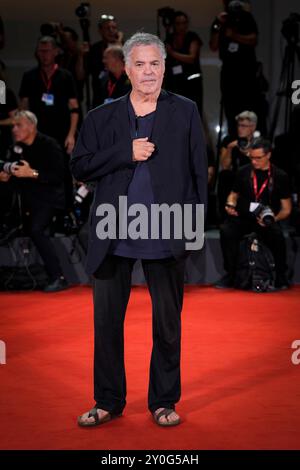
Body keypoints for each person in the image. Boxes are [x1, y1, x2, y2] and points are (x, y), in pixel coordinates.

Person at [71, 32, 207, 427]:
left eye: (155, 64)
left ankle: (163, 400)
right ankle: (108, 400)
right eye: (140, 64)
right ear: (126, 69)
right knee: (106, 325)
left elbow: (200, 174)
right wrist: (124, 152)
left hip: (167, 231)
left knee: (167, 324)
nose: (149, 72)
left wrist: (193, 230)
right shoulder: (102, 116)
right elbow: (79, 166)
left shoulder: (185, 111)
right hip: (115, 233)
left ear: (164, 68)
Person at [215, 137, 292, 290]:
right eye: (252, 157)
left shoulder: (280, 176)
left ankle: (281, 276)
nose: (254, 161)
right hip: (244, 216)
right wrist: (230, 204)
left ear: (268, 155)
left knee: (277, 235)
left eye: (258, 158)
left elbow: (286, 209)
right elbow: (233, 194)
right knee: (227, 230)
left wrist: (273, 218)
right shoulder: (244, 172)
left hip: (266, 218)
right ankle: (230, 274)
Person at [7, 111, 68, 292]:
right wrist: (6, 174)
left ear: (31, 126)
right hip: (28, 199)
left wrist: (32, 173)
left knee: (36, 229)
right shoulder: (17, 148)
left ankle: (59, 276)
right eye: (13, 126)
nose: (14, 129)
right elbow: (15, 172)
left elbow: (58, 177)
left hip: (51, 198)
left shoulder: (50, 146)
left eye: (18, 125)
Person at [209, 0, 266, 135]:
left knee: (248, 109)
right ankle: (233, 143)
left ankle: (251, 142)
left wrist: (234, 35)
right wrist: (218, 25)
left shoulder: (246, 17)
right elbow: (213, 46)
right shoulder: (220, 19)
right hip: (229, 72)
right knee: (231, 111)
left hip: (246, 72)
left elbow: (253, 39)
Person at [218, 110, 258, 221]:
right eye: (239, 125)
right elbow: (225, 166)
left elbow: (261, 164)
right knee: (224, 175)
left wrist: (248, 153)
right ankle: (225, 216)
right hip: (234, 176)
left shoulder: (258, 142)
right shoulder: (229, 140)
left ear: (253, 127)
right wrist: (230, 148)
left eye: (244, 126)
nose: (240, 128)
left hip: (252, 176)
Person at [165, 11, 203, 115]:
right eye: (178, 23)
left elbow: (192, 58)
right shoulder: (169, 38)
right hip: (174, 82)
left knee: (192, 112)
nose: (181, 26)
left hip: (191, 82)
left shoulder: (192, 36)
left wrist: (172, 53)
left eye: (184, 23)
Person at [88, 15, 124, 107]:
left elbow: (120, 58)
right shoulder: (94, 49)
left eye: (114, 28)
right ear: (100, 31)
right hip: (100, 97)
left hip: (121, 97)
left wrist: (119, 41)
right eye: (108, 28)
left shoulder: (124, 47)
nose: (111, 31)